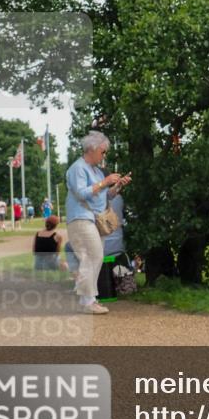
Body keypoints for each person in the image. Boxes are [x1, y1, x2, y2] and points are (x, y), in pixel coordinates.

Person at [65, 131, 132, 314]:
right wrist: (105, 182)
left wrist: (117, 186)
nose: (104, 155)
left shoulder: (95, 171)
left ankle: (89, 299)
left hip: (95, 219)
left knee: (95, 257)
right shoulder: (78, 168)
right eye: (103, 152)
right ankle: (87, 301)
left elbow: (105, 196)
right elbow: (81, 193)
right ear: (92, 149)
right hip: (81, 218)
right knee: (92, 256)